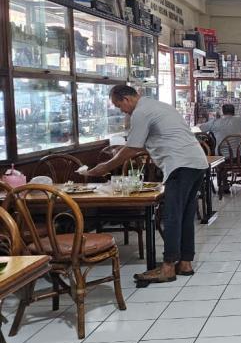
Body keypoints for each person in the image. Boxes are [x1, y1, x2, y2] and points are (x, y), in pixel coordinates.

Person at [88, 85, 208, 284]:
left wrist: (104, 167)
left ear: (126, 99)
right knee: (185, 215)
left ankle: (168, 267)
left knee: (172, 217)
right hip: (196, 162)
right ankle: (185, 263)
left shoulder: (141, 112)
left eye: (120, 106)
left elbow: (133, 147)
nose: (121, 111)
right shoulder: (158, 106)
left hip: (180, 164)